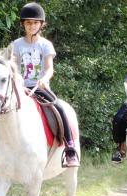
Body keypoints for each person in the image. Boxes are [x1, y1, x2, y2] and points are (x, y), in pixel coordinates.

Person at [12, 2, 79, 167]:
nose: (31, 26)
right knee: (0, 110)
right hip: (20, 88)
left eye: (35, 23)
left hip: (40, 88)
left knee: (60, 108)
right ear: (23, 24)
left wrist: (44, 79)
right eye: (28, 23)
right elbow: (12, 67)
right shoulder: (16, 45)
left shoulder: (45, 45)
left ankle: (70, 148)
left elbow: (49, 68)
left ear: (41, 25)